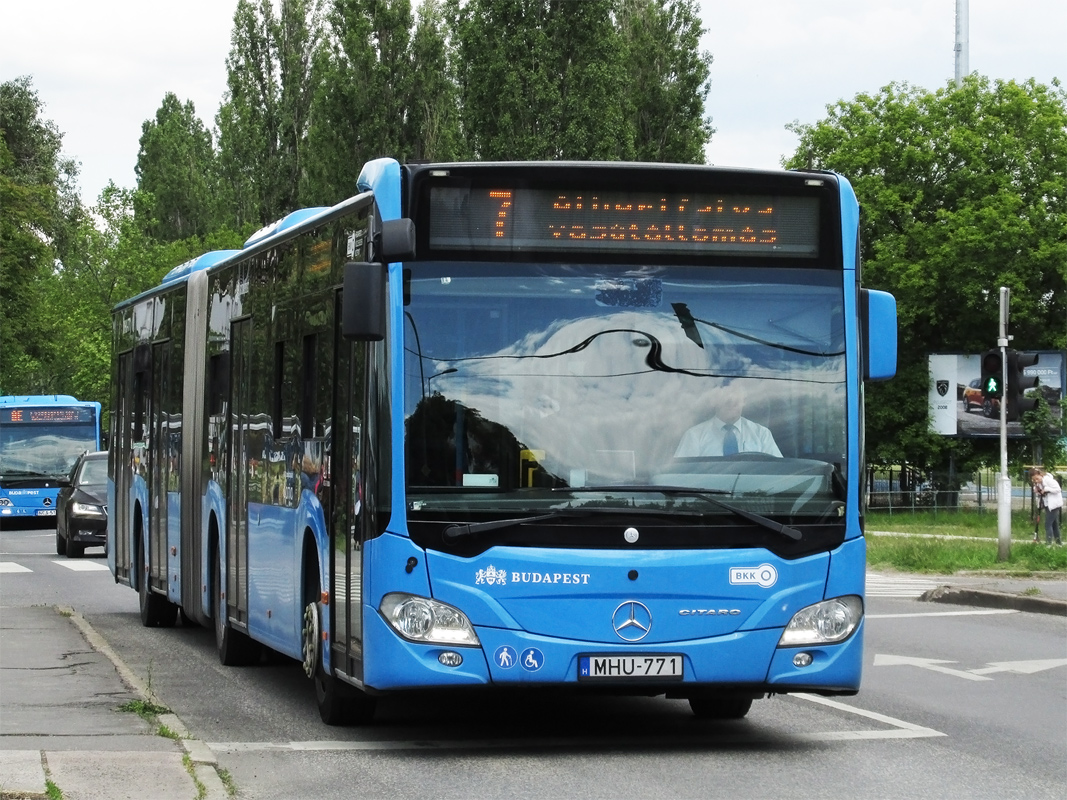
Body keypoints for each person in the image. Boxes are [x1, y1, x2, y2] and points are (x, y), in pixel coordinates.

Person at [675, 384, 782, 458]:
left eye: (736, 398)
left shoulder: (762, 434)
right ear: (714, 401)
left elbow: (777, 473)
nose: (731, 402)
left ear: (744, 401)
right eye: (726, 398)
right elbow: (679, 477)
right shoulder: (694, 436)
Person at [1031, 468, 1062, 546]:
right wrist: (1037, 490)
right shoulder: (1038, 483)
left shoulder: (1049, 480)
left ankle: (1048, 544)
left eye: (1037, 479)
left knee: (1048, 524)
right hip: (1047, 505)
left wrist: (1046, 489)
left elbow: (1058, 489)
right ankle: (1059, 544)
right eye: (1034, 480)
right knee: (1054, 525)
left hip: (1054, 505)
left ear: (1040, 474)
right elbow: (1039, 492)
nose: (1036, 481)